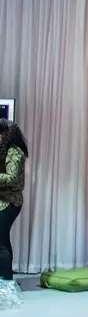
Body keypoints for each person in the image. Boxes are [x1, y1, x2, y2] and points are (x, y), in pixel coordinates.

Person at [0, 119, 27, 281]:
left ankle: (6, 280)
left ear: (6, 134)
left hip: (10, 202)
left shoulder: (15, 152)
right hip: (3, 201)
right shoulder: (5, 150)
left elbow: (12, 178)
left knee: (1, 242)